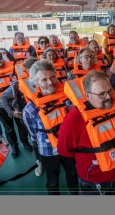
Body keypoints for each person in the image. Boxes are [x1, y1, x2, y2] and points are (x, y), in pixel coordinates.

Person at [58, 70, 115, 195]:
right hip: (93, 181)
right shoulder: (73, 121)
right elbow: (64, 150)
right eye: (101, 94)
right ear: (88, 96)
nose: (108, 97)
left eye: (110, 91)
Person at [21, 60, 78, 195]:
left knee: (73, 175)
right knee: (52, 181)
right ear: (36, 83)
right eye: (44, 79)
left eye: (52, 77)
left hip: (69, 147)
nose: (51, 82)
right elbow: (33, 134)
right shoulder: (30, 110)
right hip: (48, 151)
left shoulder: (67, 98)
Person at [0, 50, 29, 158]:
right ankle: (14, 147)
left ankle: (25, 143)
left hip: (18, 104)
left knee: (22, 126)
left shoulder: (14, 69)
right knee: (9, 129)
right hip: (2, 108)